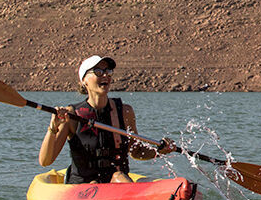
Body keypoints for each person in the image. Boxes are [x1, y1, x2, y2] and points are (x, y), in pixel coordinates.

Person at [39, 55, 175, 184]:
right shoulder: (72, 116)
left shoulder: (125, 112)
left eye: (108, 71)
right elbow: (45, 161)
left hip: (117, 183)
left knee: (118, 177)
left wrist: (160, 151)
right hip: (83, 187)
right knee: (112, 179)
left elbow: (137, 152)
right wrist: (53, 128)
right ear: (84, 80)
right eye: (98, 71)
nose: (105, 75)